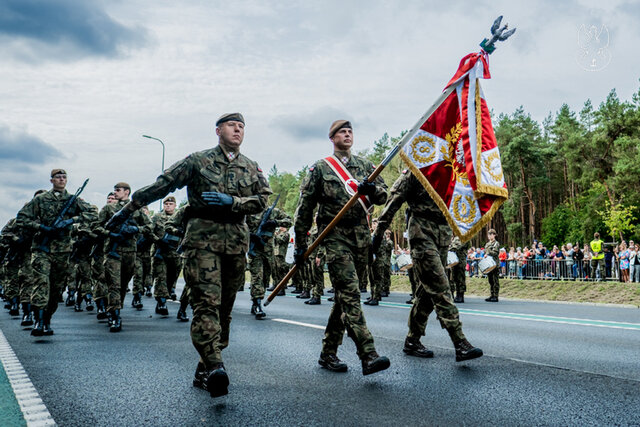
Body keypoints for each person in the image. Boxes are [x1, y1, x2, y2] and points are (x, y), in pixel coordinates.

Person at [106, 112, 271, 398]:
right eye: (232, 125)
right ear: (218, 130)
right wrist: (126, 211)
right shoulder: (197, 161)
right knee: (206, 303)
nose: (238, 130)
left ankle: (205, 364)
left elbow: (262, 200)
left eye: (242, 126)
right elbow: (163, 184)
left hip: (235, 242)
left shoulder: (251, 167)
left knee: (224, 310)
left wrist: (233, 201)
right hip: (202, 241)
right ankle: (217, 366)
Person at [293, 119, 390, 376]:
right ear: (332, 138)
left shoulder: (366, 166)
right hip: (334, 238)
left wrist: (372, 190)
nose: (347, 134)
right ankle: (368, 354)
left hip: (360, 238)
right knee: (350, 294)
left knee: (343, 298)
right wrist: (300, 245)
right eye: (342, 132)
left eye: (350, 131)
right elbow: (304, 210)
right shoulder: (321, 169)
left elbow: (384, 194)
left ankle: (327, 353)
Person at [372, 169, 482, 362]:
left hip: (442, 232)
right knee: (440, 286)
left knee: (427, 291)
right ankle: (459, 341)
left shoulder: (450, 169)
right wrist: (378, 233)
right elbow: (393, 202)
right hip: (421, 231)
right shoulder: (415, 172)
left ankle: (412, 340)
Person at [16, 169, 97, 336]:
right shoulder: (41, 199)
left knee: (56, 288)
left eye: (64, 177)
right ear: (51, 180)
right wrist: (41, 227)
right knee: (41, 283)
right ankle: (38, 321)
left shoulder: (72, 200)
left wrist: (71, 220)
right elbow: (22, 218)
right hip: (42, 248)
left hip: (63, 250)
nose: (61, 179)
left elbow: (93, 214)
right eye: (58, 177)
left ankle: (47, 319)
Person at [96, 182, 151, 332]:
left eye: (118, 190)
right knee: (114, 284)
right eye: (114, 190)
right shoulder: (109, 209)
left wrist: (135, 229)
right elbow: (96, 226)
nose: (115, 193)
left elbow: (150, 226)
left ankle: (113, 307)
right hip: (112, 252)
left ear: (127, 192)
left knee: (123, 283)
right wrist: (110, 234)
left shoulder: (137, 210)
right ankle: (115, 316)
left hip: (130, 252)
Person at [246, 203, 291, 318]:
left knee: (266, 276)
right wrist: (250, 235)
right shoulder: (249, 211)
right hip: (255, 248)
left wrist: (276, 223)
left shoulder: (273, 212)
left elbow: (289, 220)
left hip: (268, 249)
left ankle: (257, 300)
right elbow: (240, 226)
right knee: (257, 276)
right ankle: (257, 303)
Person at [150, 196, 183, 316]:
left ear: (175, 205)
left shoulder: (180, 217)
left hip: (176, 253)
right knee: (161, 277)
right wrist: (157, 240)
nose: (168, 206)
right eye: (166, 204)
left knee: (172, 277)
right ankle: (161, 302)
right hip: (161, 251)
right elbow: (148, 231)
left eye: (170, 204)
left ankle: (167, 293)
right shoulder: (157, 217)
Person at [449, 235, 469, 303]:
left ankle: (460, 295)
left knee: (460, 278)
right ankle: (455, 294)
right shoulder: (455, 238)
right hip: (454, 260)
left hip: (461, 261)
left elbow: (458, 246)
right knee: (454, 278)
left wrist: (450, 248)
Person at [484, 229, 500, 302]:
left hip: (494, 264)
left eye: (491, 234)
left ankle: (495, 296)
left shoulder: (496, 243)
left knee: (495, 280)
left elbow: (495, 252)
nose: (489, 236)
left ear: (494, 235)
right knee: (490, 280)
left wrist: (488, 252)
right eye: (489, 234)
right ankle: (492, 294)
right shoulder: (487, 244)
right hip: (489, 264)